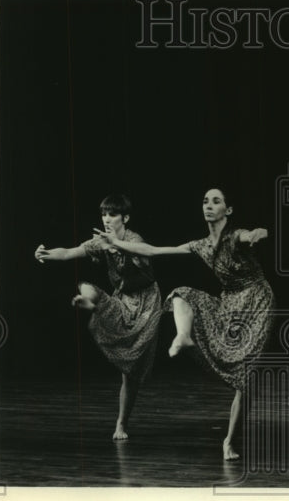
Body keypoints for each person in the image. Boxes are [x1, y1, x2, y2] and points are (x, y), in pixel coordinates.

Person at [95, 188, 272, 461]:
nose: (209, 205)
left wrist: (257, 233)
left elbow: (252, 234)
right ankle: (183, 336)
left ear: (229, 209)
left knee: (245, 378)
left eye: (216, 201)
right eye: (205, 201)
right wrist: (117, 244)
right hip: (229, 303)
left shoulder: (236, 236)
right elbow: (153, 250)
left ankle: (229, 442)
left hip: (257, 302)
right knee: (180, 294)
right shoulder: (201, 244)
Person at [34, 194, 162, 441]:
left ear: (125, 218)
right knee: (90, 288)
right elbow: (70, 252)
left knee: (131, 372)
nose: (106, 219)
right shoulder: (100, 241)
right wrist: (45, 253)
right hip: (122, 299)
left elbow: (144, 260)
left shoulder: (134, 240)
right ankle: (89, 302)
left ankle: (121, 423)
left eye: (112, 214)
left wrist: (117, 246)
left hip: (146, 302)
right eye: (104, 214)